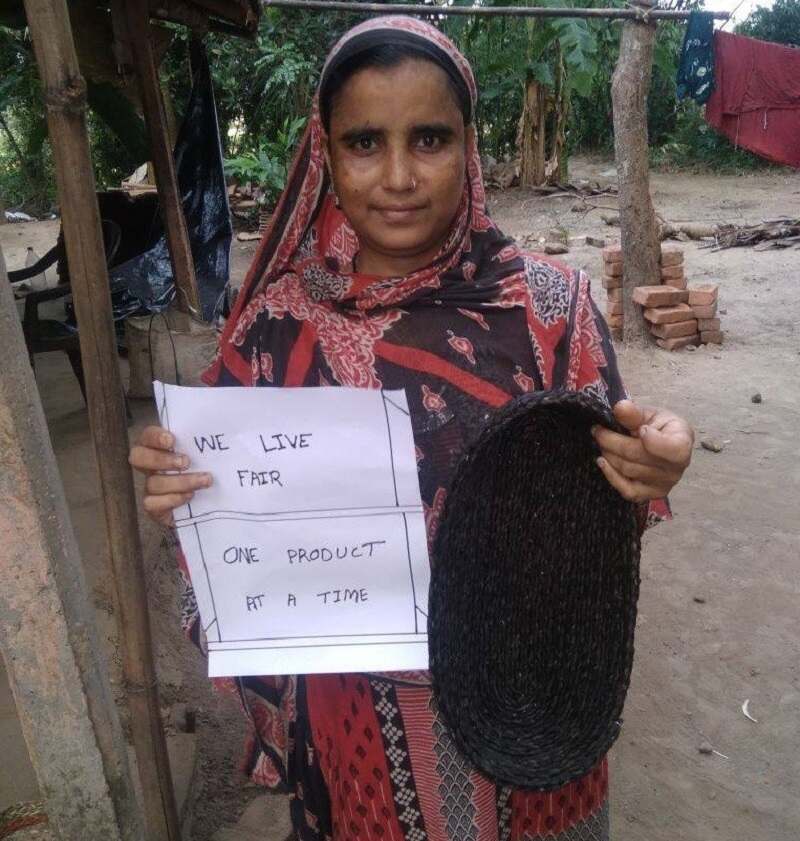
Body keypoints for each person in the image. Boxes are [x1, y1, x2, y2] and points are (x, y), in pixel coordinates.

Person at [129, 16, 693, 841]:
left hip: (529, 698)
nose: (398, 175)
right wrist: (185, 490)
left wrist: (648, 470)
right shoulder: (275, 327)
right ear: (325, 151)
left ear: (467, 147)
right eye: (365, 142)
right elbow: (231, 530)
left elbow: (600, 525)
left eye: (428, 138)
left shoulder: (551, 309)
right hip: (356, 721)